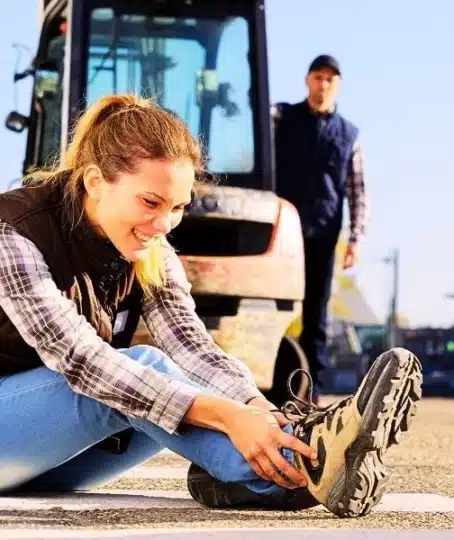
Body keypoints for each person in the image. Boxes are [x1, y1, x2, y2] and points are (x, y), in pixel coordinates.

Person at [0, 94, 421, 519]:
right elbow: (81, 361)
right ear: (94, 181)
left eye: (178, 207)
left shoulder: (150, 248)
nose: (164, 224)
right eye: (150, 202)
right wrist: (226, 416)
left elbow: (193, 349)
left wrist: (259, 412)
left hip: (40, 455)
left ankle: (268, 462)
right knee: (137, 372)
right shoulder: (12, 231)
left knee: (177, 382)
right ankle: (305, 463)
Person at [273, 54, 368, 399]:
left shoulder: (349, 135)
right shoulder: (280, 118)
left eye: (329, 79)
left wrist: (355, 239)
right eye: (317, 77)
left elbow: (358, 190)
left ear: (337, 85)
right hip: (280, 231)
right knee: (272, 307)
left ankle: (310, 395)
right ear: (307, 81)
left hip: (324, 236)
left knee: (316, 317)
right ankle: (268, 385)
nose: (322, 84)